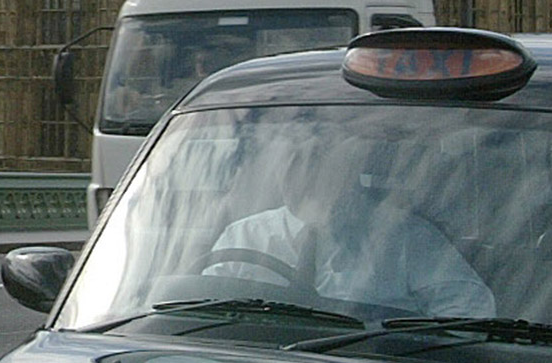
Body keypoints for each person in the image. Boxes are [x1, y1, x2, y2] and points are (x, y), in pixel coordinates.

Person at [203, 135, 493, 317]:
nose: (302, 175)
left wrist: (404, 347)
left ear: (350, 170)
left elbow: (470, 309)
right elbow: (202, 307)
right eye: (292, 163)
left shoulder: (404, 235)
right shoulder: (245, 236)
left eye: (318, 162)